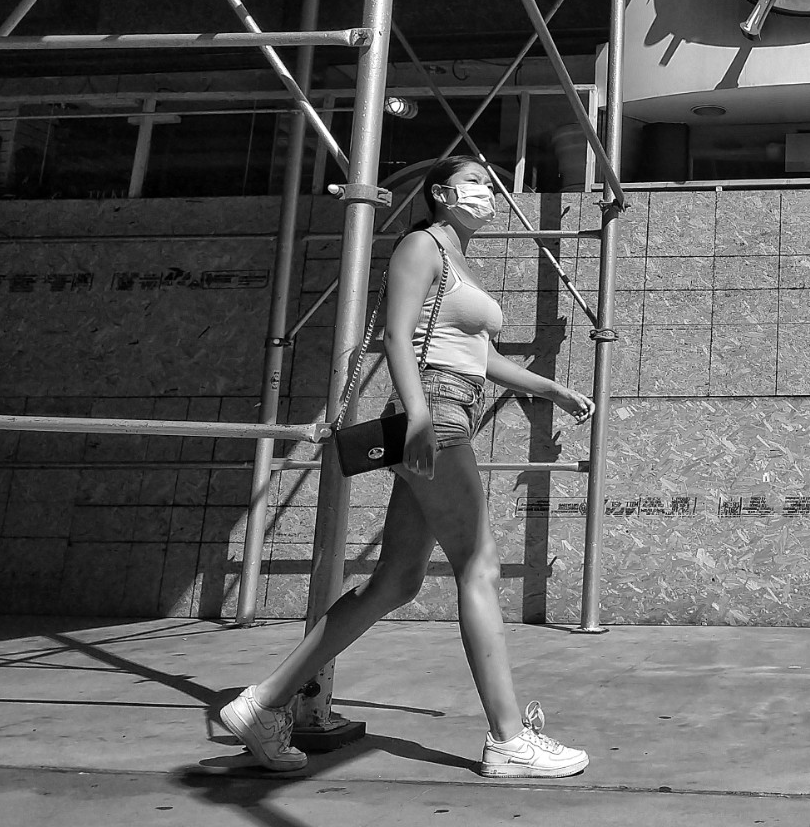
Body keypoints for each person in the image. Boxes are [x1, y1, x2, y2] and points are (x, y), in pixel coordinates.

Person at [219, 156, 595, 778]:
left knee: (397, 580)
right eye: (475, 181)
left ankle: (264, 701)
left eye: (489, 182)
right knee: (479, 563)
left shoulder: (458, 260)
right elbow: (396, 337)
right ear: (441, 193)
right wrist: (418, 414)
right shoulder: (420, 245)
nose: (487, 191)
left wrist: (548, 388)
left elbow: (478, 353)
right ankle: (507, 740)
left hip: (446, 405)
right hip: (435, 412)